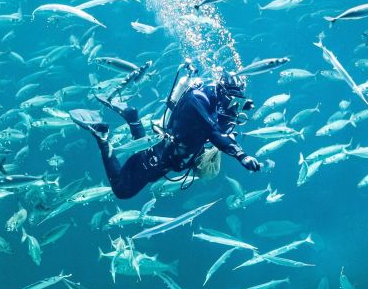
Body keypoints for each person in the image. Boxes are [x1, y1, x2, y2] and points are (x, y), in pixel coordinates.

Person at [70, 68, 261, 200]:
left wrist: (237, 109)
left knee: (147, 159)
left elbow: (221, 127)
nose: (233, 103)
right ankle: (102, 137)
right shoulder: (198, 99)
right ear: (223, 90)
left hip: (167, 153)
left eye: (237, 99)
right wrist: (241, 155)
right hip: (160, 156)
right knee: (122, 190)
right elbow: (213, 131)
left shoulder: (215, 98)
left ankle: (132, 117)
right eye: (232, 98)